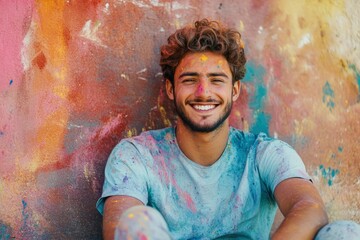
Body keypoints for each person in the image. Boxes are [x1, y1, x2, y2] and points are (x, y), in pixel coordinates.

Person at [96, 19, 359, 239]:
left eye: (216, 80)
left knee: (345, 232)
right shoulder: (137, 156)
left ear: (234, 91)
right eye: (190, 80)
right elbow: (120, 226)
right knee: (136, 220)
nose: (203, 92)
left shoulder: (264, 154)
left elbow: (310, 208)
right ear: (170, 89)